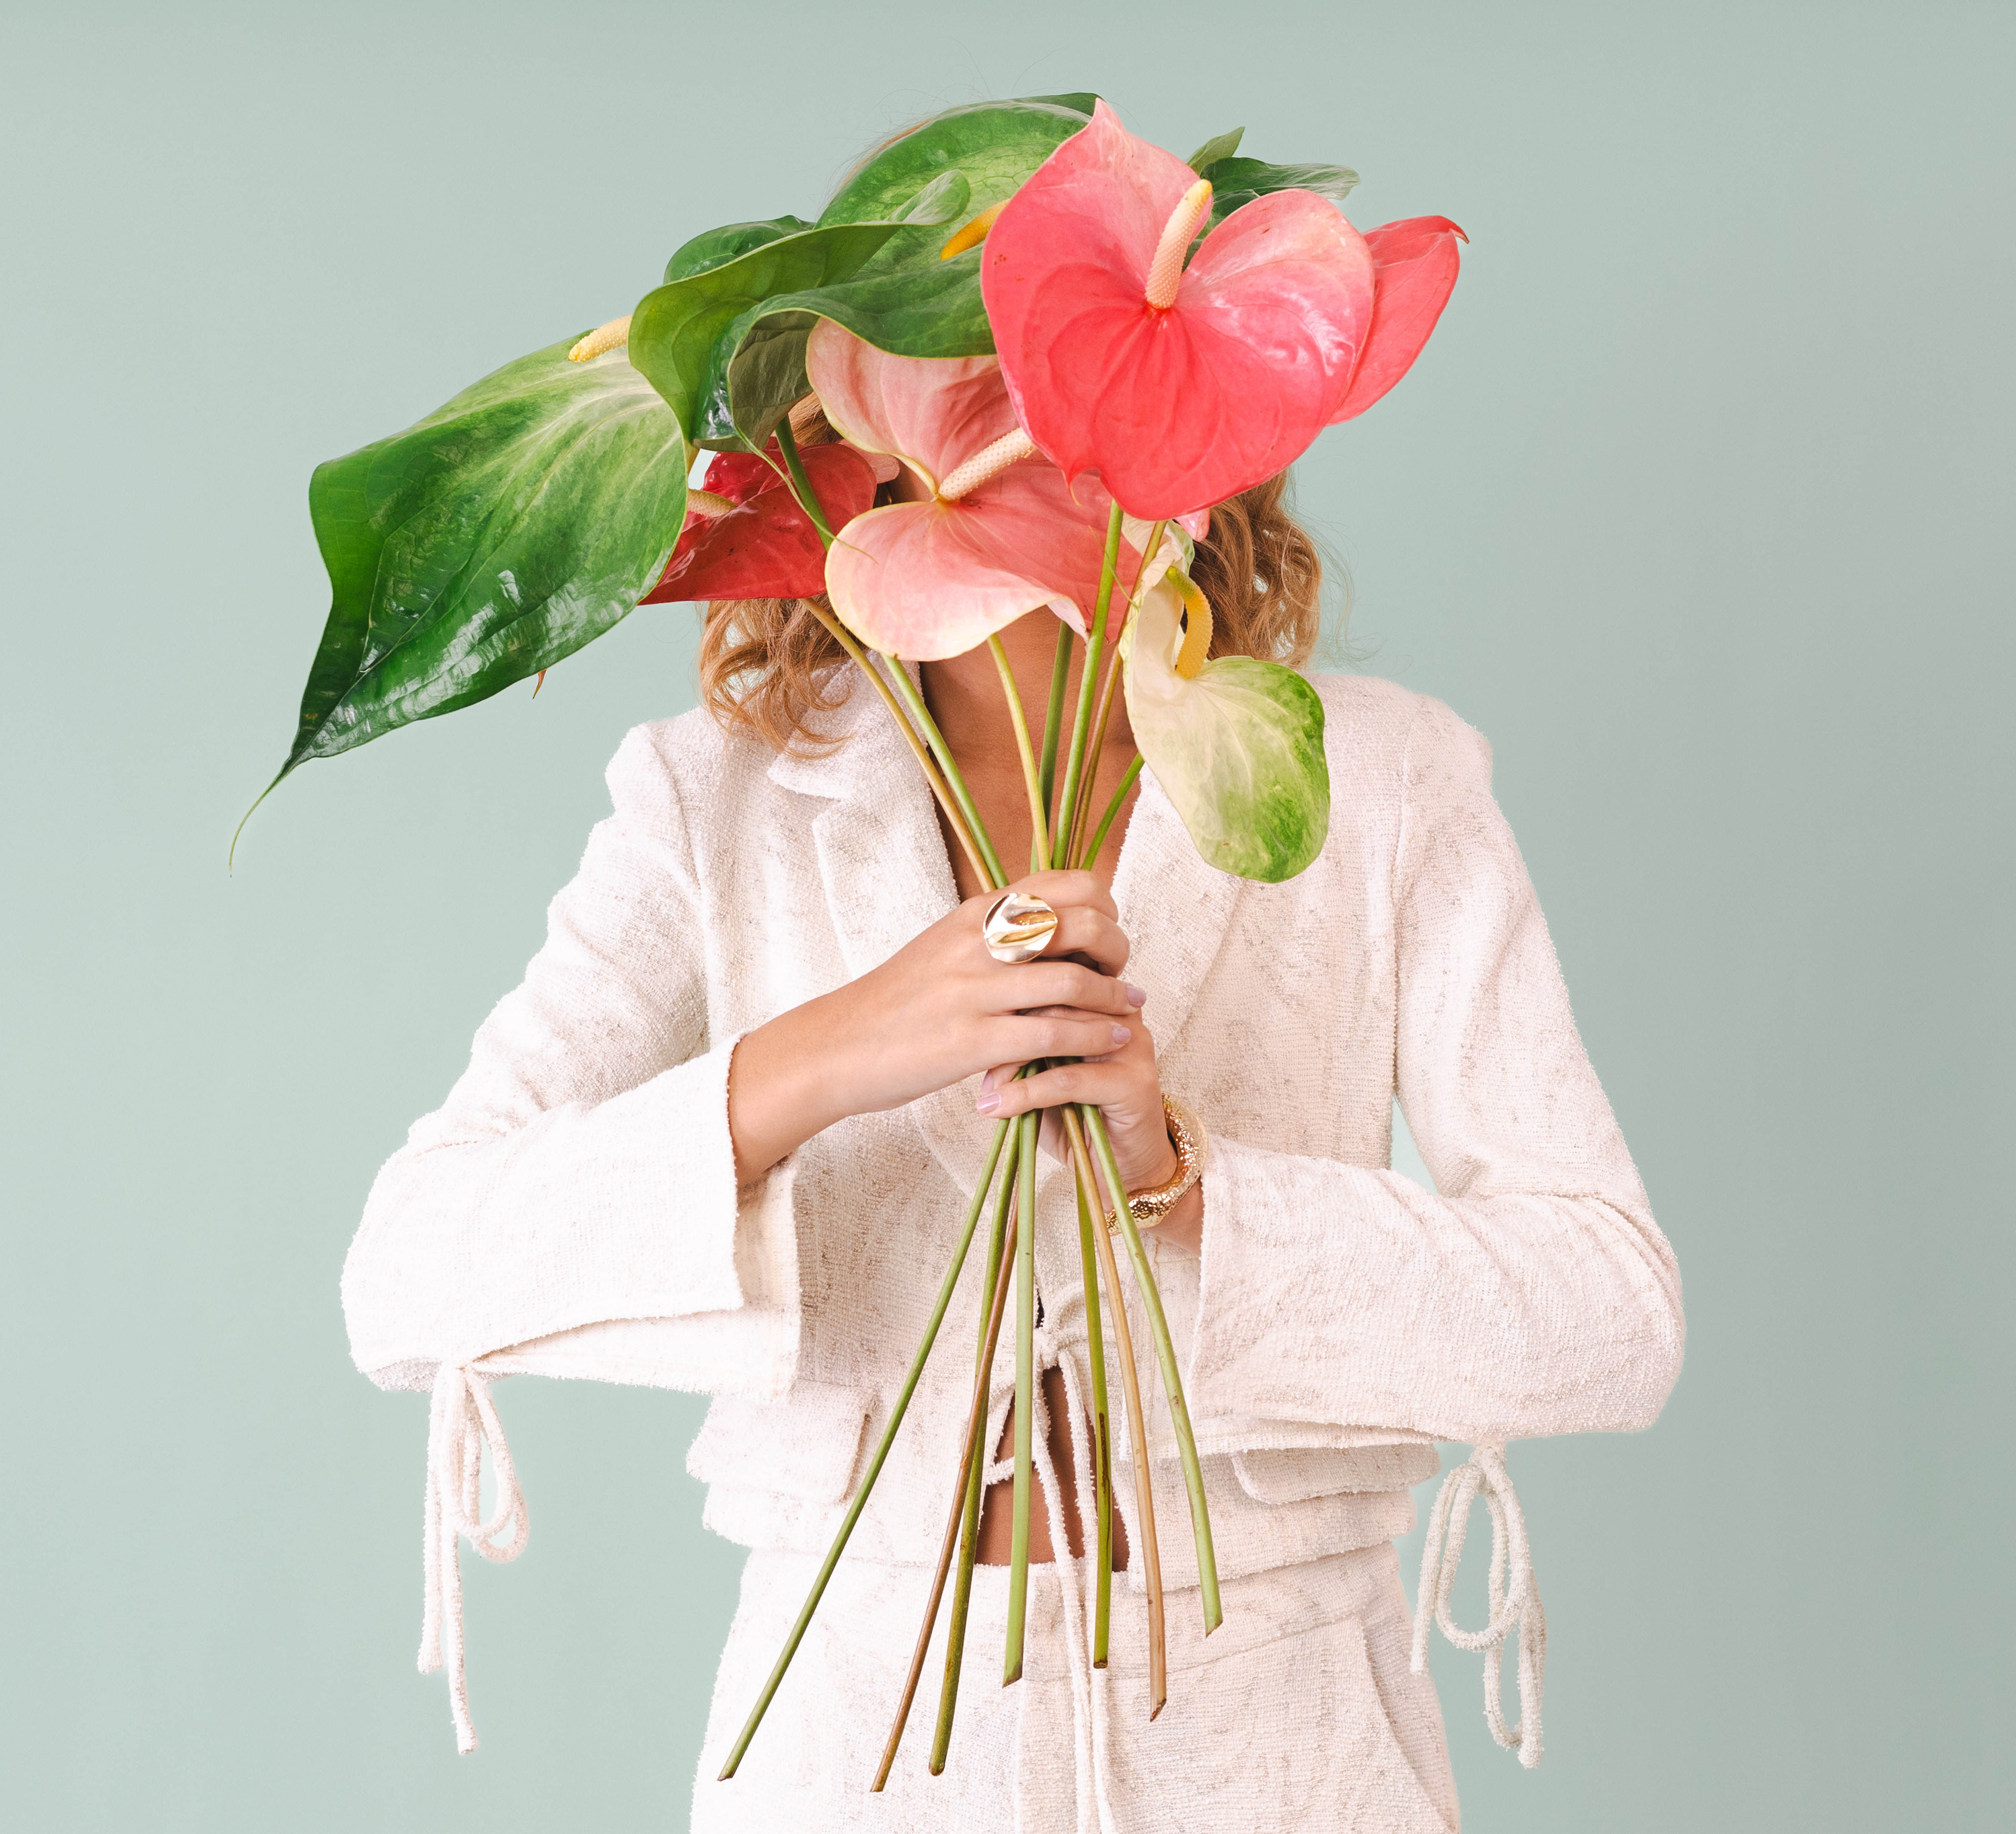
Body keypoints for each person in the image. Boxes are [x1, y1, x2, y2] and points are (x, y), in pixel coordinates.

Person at [341, 450, 1684, 1832]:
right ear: (851, 416)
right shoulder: (715, 799)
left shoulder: (1377, 780)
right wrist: (829, 1051)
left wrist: (1184, 1182)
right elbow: (407, 1270)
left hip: (1282, 1753)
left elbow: (1611, 1315)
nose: (1013, 410)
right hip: (850, 1757)